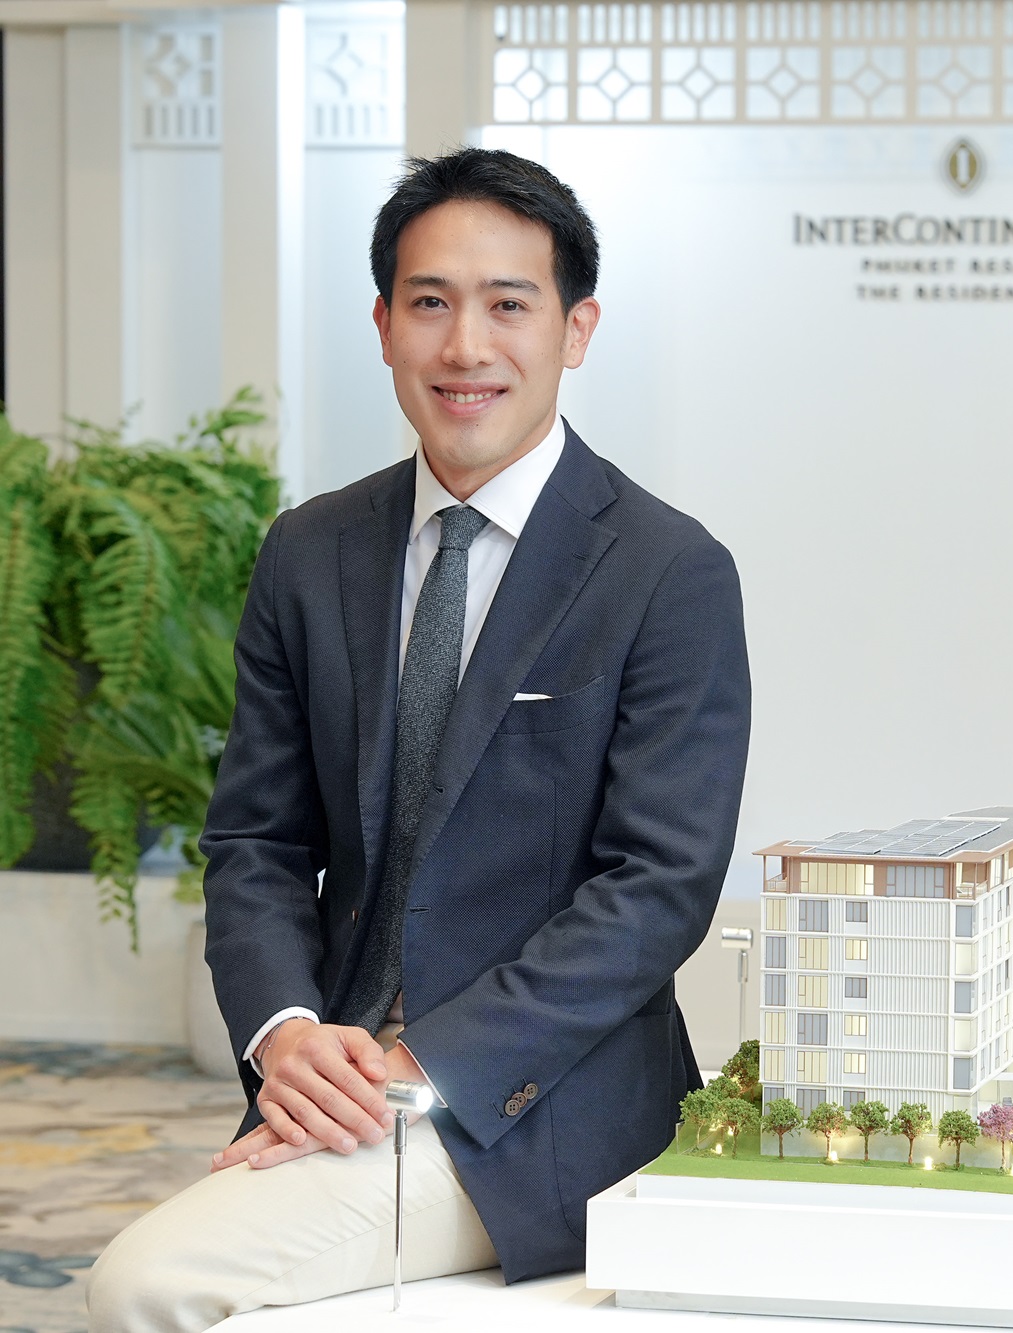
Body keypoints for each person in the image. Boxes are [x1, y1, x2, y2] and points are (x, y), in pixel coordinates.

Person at [85, 147, 752, 1331]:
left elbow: (656, 889)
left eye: (509, 305)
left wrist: (419, 1067)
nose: (465, 346)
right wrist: (286, 1034)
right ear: (384, 324)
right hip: (334, 1076)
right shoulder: (310, 550)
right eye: (431, 303)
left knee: (151, 1285)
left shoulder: (666, 570)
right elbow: (255, 841)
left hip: (540, 1102)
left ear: (576, 329)